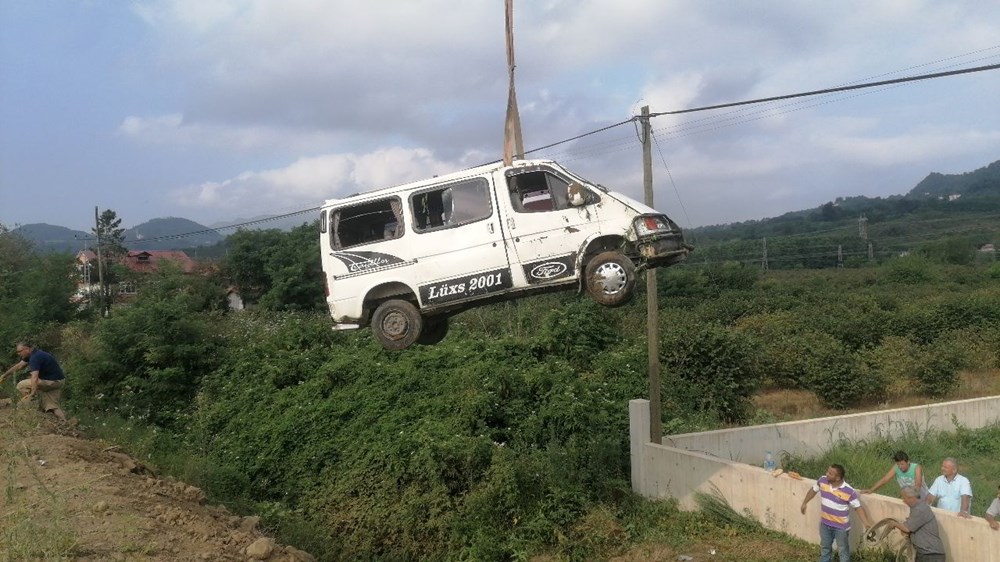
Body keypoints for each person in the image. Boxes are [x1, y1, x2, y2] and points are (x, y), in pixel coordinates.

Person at [801, 464, 874, 562]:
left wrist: (866, 523)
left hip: (841, 528)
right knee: (825, 549)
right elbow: (813, 490)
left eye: (830, 473)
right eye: (827, 471)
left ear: (838, 477)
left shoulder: (849, 491)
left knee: (843, 552)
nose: (827, 474)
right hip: (825, 524)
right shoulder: (822, 481)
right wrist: (805, 502)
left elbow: (858, 507)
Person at [4, 342, 67, 421]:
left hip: (51, 382)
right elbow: (19, 366)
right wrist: (4, 376)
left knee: (21, 385)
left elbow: (34, 377)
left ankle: (30, 403)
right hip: (58, 381)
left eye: (20, 351)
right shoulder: (34, 354)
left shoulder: (35, 358)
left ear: (27, 349)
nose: (18, 354)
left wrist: (32, 394)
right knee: (52, 406)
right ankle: (66, 424)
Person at [890, 486, 946, 562]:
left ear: (911, 498)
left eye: (904, 498)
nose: (904, 501)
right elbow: (907, 527)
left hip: (931, 555)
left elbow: (907, 529)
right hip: (924, 553)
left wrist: (894, 524)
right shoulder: (916, 508)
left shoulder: (920, 509)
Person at [862, 450, 928, 498]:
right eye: (898, 464)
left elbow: (918, 485)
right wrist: (871, 490)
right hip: (908, 498)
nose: (900, 466)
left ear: (908, 462)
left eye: (902, 464)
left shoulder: (916, 467)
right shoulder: (896, 468)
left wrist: (911, 498)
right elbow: (885, 479)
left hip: (922, 496)